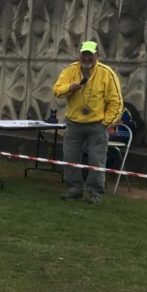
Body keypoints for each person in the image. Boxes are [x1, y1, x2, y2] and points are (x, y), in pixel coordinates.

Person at [52, 40, 124, 205]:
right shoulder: (70, 70)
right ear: (80, 54)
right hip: (74, 124)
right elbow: (57, 91)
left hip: (97, 125)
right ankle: (74, 189)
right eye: (84, 54)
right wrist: (70, 87)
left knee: (96, 161)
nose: (86, 58)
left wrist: (105, 122)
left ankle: (94, 192)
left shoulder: (107, 73)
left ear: (97, 55)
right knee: (70, 157)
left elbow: (116, 102)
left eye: (90, 55)